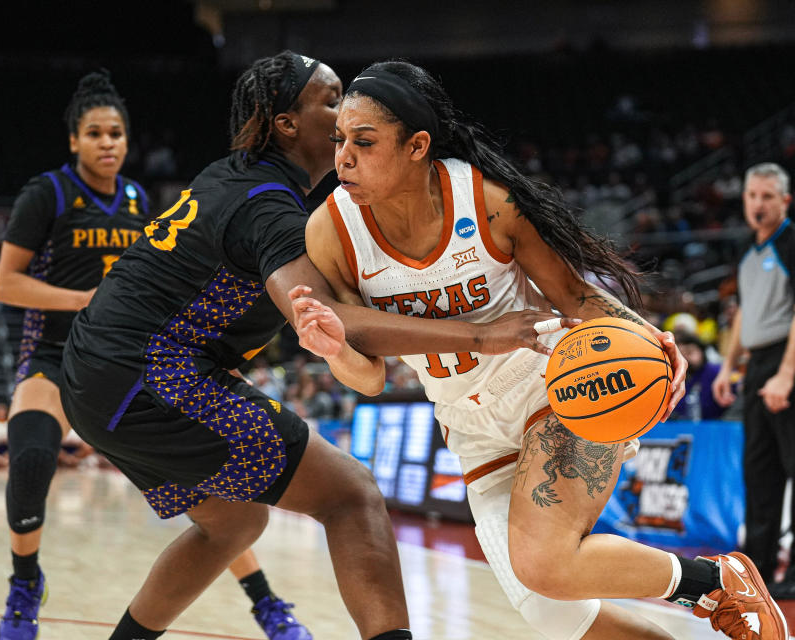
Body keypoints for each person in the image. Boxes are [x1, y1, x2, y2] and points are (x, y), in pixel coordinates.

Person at [59, 51, 564, 640]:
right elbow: (335, 319)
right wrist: (481, 334)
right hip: (149, 375)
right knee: (351, 496)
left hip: (96, 378)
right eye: (331, 100)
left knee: (233, 526)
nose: (346, 109)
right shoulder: (267, 207)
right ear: (286, 124)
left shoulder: (233, 176)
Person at [292, 60, 786, 640]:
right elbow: (370, 380)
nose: (342, 156)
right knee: (553, 613)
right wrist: (334, 352)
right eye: (340, 140)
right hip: (470, 428)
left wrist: (648, 337)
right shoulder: (331, 231)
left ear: (417, 145)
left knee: (546, 562)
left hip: (556, 388)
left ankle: (714, 581)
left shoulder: (490, 204)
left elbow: (576, 297)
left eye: (364, 142)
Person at [0, 69, 313, 640]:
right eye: (94, 134)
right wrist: (81, 299)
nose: (108, 143)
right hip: (54, 352)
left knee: (219, 497)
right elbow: (5, 284)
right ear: (74, 141)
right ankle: (24, 583)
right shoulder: (48, 195)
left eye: (116, 133)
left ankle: (266, 602)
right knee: (31, 457)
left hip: (133, 360)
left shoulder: (140, 197)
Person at [712, 163, 795, 601]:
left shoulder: (790, 242)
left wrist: (786, 373)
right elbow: (744, 312)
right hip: (759, 364)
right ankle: (758, 570)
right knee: (758, 470)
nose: (758, 204)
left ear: (785, 201)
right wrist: (729, 366)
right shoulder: (746, 249)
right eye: (752, 196)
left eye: (768, 197)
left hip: (788, 359)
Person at [670, 331, 724, 421]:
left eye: (689, 352)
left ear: (702, 351)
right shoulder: (671, 378)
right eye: (679, 355)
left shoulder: (717, 372)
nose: (684, 358)